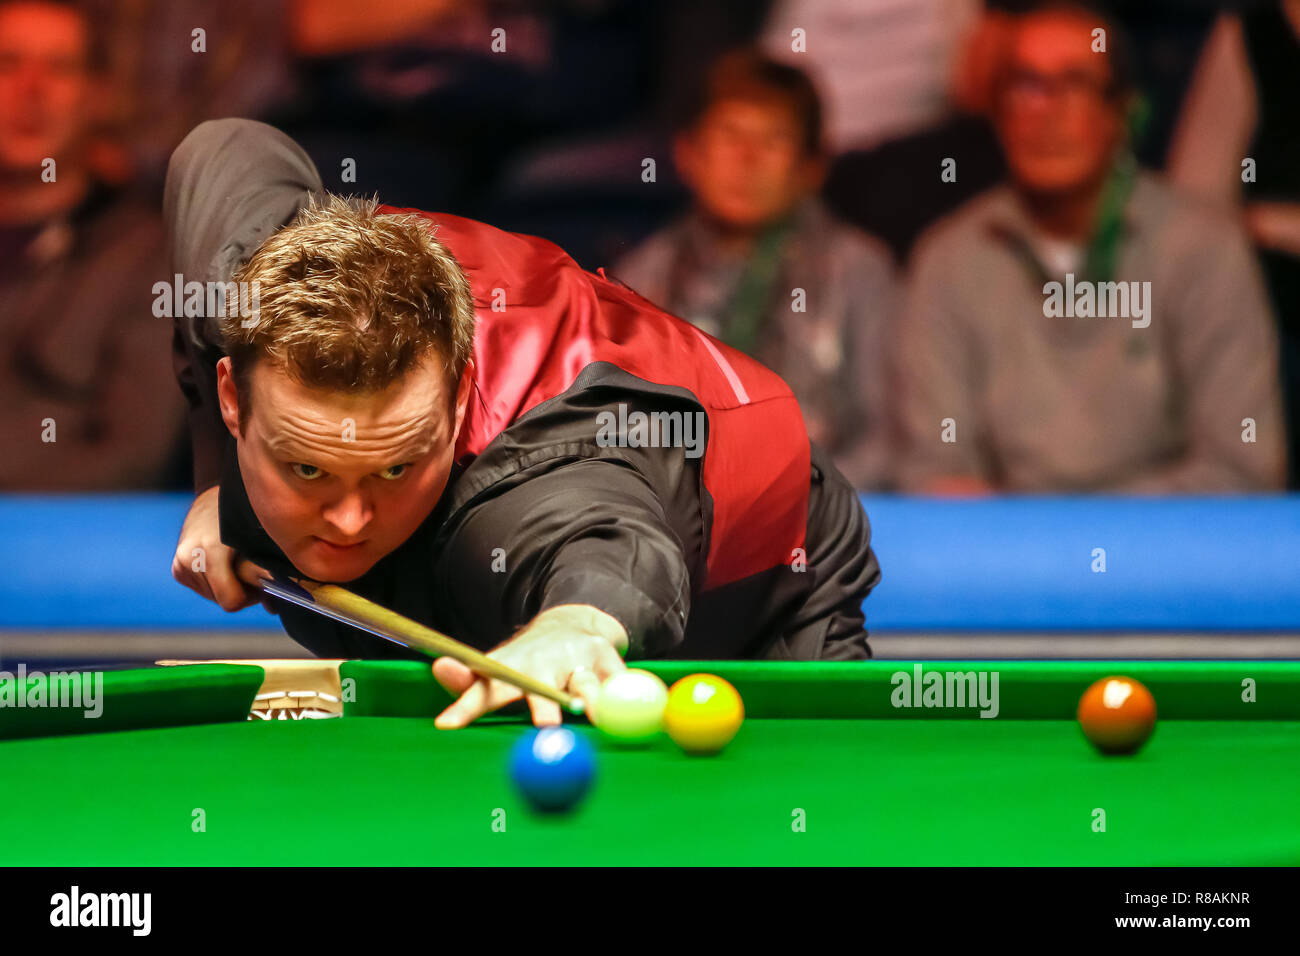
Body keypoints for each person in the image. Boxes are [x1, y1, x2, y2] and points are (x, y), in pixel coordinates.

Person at [164, 119, 881, 729]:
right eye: (308, 469)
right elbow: (223, 146)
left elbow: (616, 545)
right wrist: (210, 488)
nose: (349, 521)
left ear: (457, 398)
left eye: (393, 468)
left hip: (763, 571)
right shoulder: (253, 286)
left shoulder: (536, 481)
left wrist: (577, 623)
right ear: (235, 396)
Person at [894, 1, 1285, 493]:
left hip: (1165, 553)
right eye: (1024, 85)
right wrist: (1034, 551)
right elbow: (935, 466)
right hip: (1007, 557)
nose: (1043, 112)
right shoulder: (949, 259)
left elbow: (1243, 464)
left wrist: (1089, 539)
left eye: (1073, 85)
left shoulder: (1203, 249)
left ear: (1122, 112)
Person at [614, 50, 896, 490]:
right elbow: (619, 429)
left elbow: (887, 438)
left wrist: (804, 504)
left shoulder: (861, 271)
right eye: (729, 135)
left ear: (811, 167)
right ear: (689, 153)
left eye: (773, 140)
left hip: (822, 525)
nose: (747, 159)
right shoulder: (640, 277)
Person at [0, 0, 186, 490]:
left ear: (97, 96)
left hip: (62, 543)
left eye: (60, 68)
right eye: (7, 63)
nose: (31, 89)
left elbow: (133, 456)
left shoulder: (152, 257)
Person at [1167, 0, 1300, 487]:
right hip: (1271, 308)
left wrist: (1274, 224)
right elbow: (1191, 209)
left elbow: (1254, 222)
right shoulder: (1253, 32)